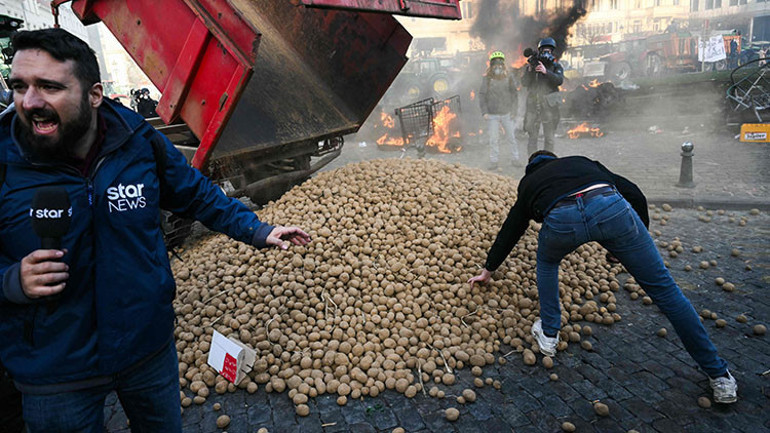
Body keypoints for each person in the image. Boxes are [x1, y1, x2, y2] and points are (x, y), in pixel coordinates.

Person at [0, 28, 311, 432]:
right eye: (19, 85)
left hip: (146, 351)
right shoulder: (5, 161)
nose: (29, 102)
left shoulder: (136, 139)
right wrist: (12, 281)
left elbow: (195, 194)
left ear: (94, 95)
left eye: (49, 87)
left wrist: (255, 229)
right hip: (55, 368)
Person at [467, 151, 738, 404]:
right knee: (667, 292)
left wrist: (488, 270)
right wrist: (634, 237)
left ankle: (549, 333)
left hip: (562, 219)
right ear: (555, 159)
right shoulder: (582, 162)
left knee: (547, 262)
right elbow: (634, 193)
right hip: (610, 208)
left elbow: (512, 228)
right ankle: (719, 376)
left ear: (530, 169)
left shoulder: (529, 183)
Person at [521, 37, 564, 156]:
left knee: (549, 138)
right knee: (532, 138)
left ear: (552, 52)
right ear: (539, 51)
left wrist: (546, 72)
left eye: (549, 51)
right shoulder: (533, 66)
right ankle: (532, 161)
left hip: (549, 107)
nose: (546, 53)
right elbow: (524, 83)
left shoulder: (556, 67)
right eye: (544, 51)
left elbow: (559, 80)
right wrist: (530, 70)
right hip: (534, 106)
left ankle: (548, 161)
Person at [478, 50, 519, 170]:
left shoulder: (509, 78)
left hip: (507, 114)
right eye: (495, 64)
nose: (498, 67)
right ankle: (493, 160)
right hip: (492, 115)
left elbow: (514, 95)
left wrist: (514, 111)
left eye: (500, 64)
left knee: (511, 137)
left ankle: (515, 158)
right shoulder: (487, 79)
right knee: (493, 139)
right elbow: (482, 95)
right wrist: (484, 112)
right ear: (491, 66)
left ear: (503, 65)